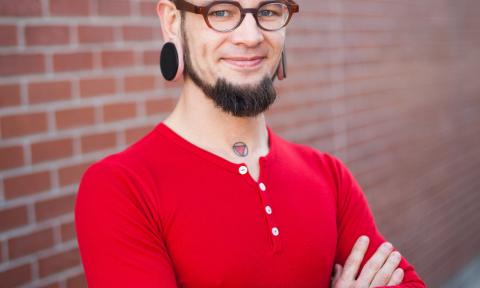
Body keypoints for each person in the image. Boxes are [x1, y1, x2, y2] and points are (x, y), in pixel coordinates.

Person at [74, 0, 427, 287]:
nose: (250, 35)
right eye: (222, 12)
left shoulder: (328, 175)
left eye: (268, 11)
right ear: (171, 21)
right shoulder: (121, 188)